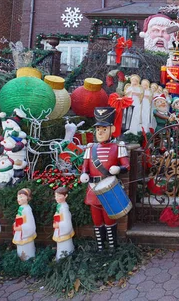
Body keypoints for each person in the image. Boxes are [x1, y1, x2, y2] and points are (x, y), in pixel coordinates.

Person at [80, 107, 130, 250]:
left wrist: (119, 169)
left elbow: (127, 166)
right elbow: (85, 166)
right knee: (96, 220)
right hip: (92, 188)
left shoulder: (118, 146)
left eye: (103, 129)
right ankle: (100, 247)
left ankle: (112, 247)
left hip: (109, 188)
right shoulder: (91, 147)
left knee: (109, 219)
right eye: (98, 129)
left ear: (111, 129)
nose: (100, 132)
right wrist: (84, 173)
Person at [12, 188, 36, 261]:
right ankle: (21, 260)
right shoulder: (21, 208)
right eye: (18, 197)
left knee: (26, 249)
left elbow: (30, 223)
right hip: (20, 232)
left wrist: (20, 228)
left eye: (21, 197)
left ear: (28, 198)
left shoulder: (27, 209)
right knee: (20, 248)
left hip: (24, 233)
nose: (19, 199)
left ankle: (28, 259)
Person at [53, 187, 75, 260]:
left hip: (63, 230)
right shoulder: (59, 206)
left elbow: (67, 221)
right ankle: (61, 257)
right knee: (61, 245)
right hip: (59, 229)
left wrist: (58, 225)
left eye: (59, 196)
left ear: (65, 196)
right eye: (56, 196)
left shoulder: (64, 208)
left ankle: (66, 257)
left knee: (65, 245)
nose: (57, 198)